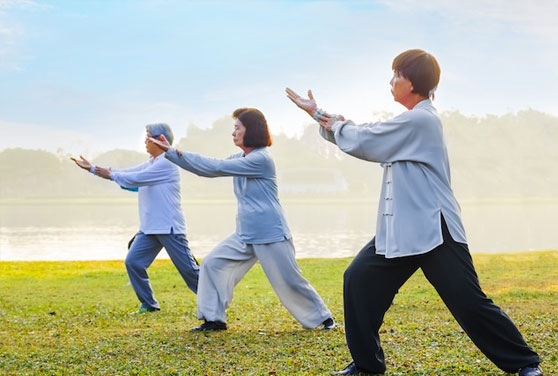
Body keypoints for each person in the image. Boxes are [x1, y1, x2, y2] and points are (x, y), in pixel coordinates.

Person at [285, 49, 542, 376]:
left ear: (414, 82)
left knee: (468, 302)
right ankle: (367, 366)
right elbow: (367, 139)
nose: (391, 81)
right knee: (359, 280)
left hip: (435, 229)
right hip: (399, 230)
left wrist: (319, 113)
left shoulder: (421, 119)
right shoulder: (409, 123)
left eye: (397, 75)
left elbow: (365, 139)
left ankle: (525, 364)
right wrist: (321, 116)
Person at [149, 107, 335, 331]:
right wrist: (174, 154)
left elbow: (215, 168)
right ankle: (213, 319)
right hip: (245, 233)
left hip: (270, 233)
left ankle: (323, 318)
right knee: (213, 263)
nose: (233, 132)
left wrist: (171, 152)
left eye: (237, 127)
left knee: (288, 279)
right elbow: (210, 165)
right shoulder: (242, 157)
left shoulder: (261, 159)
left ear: (251, 130)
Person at [71, 123, 199, 314]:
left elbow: (133, 179)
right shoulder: (152, 162)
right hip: (149, 228)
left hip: (169, 227)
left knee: (190, 272)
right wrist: (92, 169)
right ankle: (149, 304)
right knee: (134, 262)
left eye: (148, 137)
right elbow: (126, 173)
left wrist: (104, 172)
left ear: (160, 139)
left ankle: (215, 298)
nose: (145, 142)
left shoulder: (168, 162)